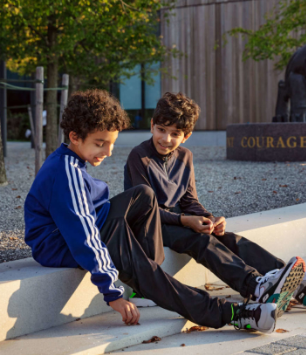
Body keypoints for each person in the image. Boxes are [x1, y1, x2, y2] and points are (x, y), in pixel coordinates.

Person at [24, 89, 279, 333]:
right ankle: (233, 314)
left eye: (111, 143)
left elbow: (93, 216)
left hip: (99, 225)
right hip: (60, 244)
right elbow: (83, 238)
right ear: (75, 137)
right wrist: (112, 294)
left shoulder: (71, 161)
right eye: (100, 143)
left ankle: (147, 275)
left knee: (144, 195)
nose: (109, 152)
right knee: (152, 275)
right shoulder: (66, 174)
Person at [123, 92, 306, 315]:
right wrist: (186, 220)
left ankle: (293, 282)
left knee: (228, 238)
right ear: (152, 125)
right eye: (161, 130)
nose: (166, 139)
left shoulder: (185, 156)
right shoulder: (139, 156)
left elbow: (189, 200)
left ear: (186, 136)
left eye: (175, 134)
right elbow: (147, 209)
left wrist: (210, 218)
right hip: (150, 226)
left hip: (177, 220)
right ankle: (256, 287)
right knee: (200, 240)